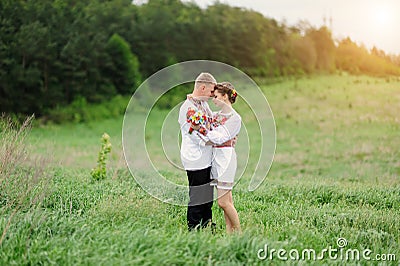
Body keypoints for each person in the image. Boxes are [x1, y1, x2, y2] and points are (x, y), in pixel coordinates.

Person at [194, 82, 241, 233]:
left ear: (225, 96)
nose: (213, 100)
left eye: (215, 96)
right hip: (215, 159)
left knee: (222, 202)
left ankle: (239, 231)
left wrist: (202, 129)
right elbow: (207, 132)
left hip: (226, 160)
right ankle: (229, 232)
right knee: (228, 200)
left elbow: (220, 138)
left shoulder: (235, 118)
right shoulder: (216, 116)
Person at [178, 72, 216, 231]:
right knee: (197, 195)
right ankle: (193, 227)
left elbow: (211, 121)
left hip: (207, 157)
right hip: (195, 158)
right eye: (211, 91)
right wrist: (213, 140)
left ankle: (207, 223)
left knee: (208, 194)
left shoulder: (203, 105)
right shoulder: (188, 108)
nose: (212, 95)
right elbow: (193, 134)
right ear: (202, 87)